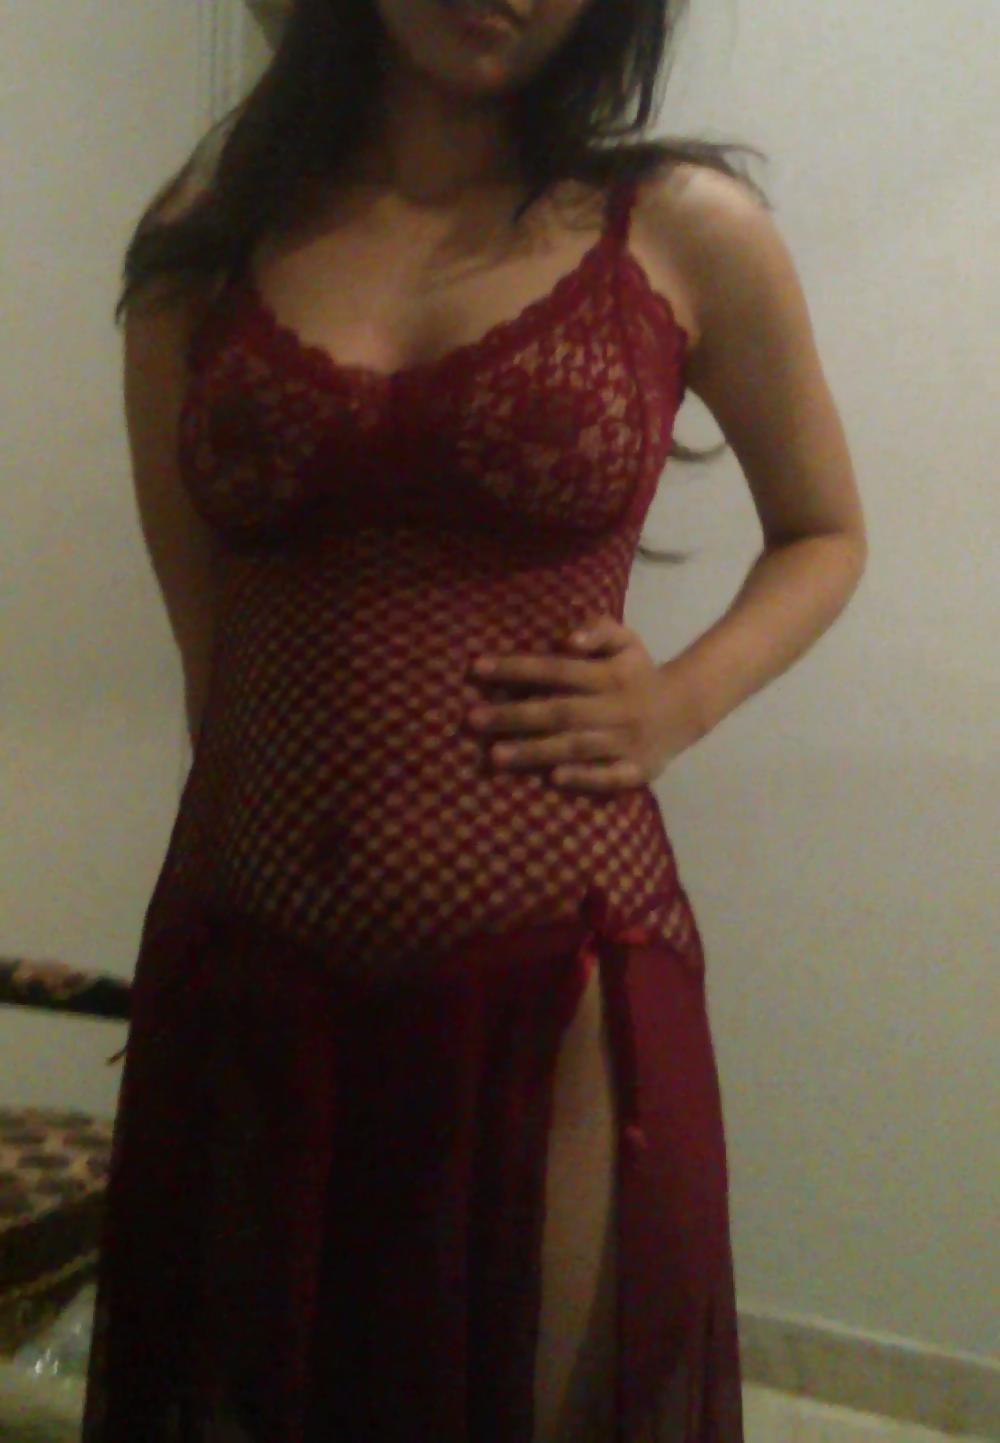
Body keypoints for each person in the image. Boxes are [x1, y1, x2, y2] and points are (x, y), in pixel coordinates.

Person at [82, 1, 867, 1439]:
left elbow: (825, 531)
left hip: (555, 963)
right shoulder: (207, 240)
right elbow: (216, 661)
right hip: (248, 950)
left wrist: (680, 699)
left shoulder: (681, 226)